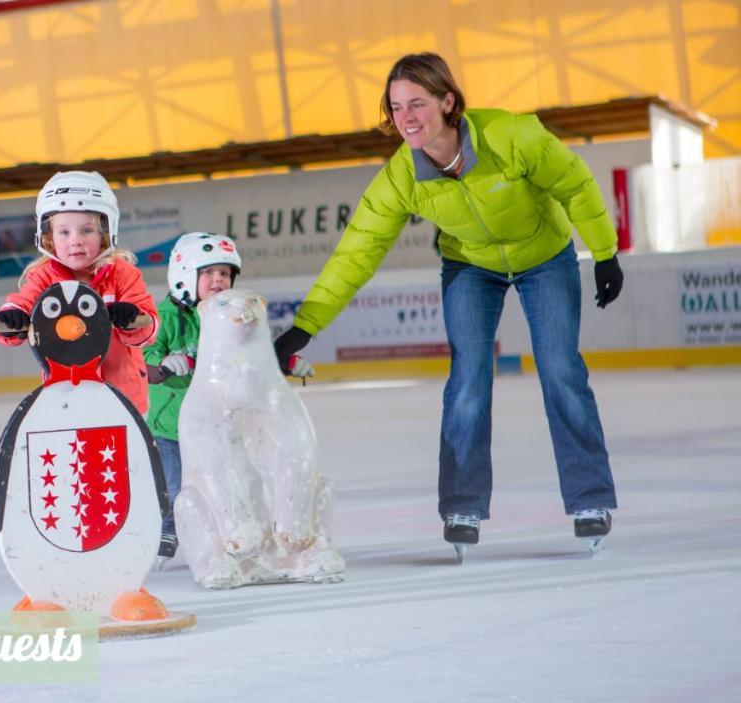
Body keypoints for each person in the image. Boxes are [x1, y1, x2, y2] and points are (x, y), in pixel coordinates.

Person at [273, 52, 623, 552]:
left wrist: (605, 252)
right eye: (396, 108)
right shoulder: (402, 177)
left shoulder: (510, 137)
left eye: (417, 103)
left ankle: (591, 498)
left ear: (448, 101)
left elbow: (574, 184)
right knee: (467, 380)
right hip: (470, 266)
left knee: (560, 369)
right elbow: (357, 252)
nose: (406, 118)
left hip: (545, 257)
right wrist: (305, 325)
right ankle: (462, 505)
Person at [143, 232, 316, 561]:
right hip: (172, 425)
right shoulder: (166, 318)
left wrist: (286, 362)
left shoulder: (230, 316)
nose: (218, 279)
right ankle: (168, 527)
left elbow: (253, 356)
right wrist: (163, 363)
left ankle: (229, 535)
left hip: (219, 421)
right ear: (184, 275)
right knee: (176, 484)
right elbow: (145, 357)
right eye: (207, 273)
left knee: (229, 478)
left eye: (224, 273)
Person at [0, 171, 158, 413]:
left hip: (123, 396)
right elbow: (21, 304)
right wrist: (11, 318)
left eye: (87, 230)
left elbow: (149, 326)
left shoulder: (122, 274)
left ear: (104, 233)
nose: (76, 240)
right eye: (64, 232)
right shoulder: (43, 277)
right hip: (65, 397)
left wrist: (132, 318)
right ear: (49, 238)